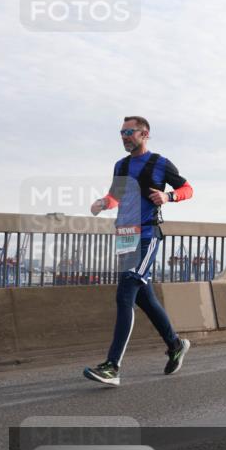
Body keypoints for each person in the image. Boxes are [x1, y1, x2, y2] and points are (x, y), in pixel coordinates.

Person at [84, 117, 194, 386]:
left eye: (128, 132)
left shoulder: (160, 163)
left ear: (144, 134)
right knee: (143, 298)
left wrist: (169, 196)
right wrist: (103, 203)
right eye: (121, 132)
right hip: (125, 236)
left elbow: (187, 189)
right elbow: (116, 196)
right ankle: (176, 344)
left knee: (125, 294)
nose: (124, 136)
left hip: (146, 235)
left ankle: (112, 366)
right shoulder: (121, 165)